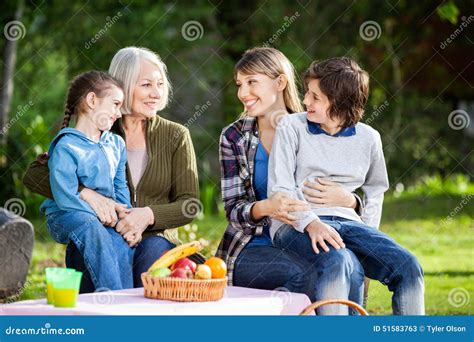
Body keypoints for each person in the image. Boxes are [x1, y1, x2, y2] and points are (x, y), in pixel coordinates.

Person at [23, 47, 201, 291]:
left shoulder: (176, 135)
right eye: (147, 85)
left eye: (160, 84)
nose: (156, 93)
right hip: (103, 228)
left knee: (147, 265)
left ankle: (126, 317)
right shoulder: (101, 128)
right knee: (87, 246)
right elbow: (34, 175)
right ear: (124, 86)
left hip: (153, 236)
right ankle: (96, 320)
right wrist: (86, 193)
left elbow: (189, 204)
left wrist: (146, 215)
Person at [268, 57, 425, 315]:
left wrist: (369, 236)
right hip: (293, 223)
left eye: (315, 97)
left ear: (339, 102)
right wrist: (311, 223)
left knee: (409, 266)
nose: (305, 101)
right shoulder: (291, 126)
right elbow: (281, 187)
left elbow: (375, 190)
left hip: (350, 223)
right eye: (307, 92)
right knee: (338, 260)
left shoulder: (369, 138)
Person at [216, 47, 365, 314]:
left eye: (252, 82)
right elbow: (233, 209)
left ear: (280, 82)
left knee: (350, 267)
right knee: (311, 273)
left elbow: (344, 194)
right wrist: (266, 208)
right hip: (254, 244)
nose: (242, 93)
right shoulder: (234, 137)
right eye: (240, 84)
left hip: (310, 236)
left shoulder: (317, 127)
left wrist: (352, 201)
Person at [41, 70, 134, 290]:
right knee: (92, 228)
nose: (119, 113)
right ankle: (113, 301)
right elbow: (65, 197)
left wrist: (124, 216)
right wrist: (102, 213)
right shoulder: (66, 146)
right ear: (92, 100)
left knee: (120, 240)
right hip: (64, 215)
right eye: (115, 104)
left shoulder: (116, 144)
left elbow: (121, 188)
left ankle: (126, 302)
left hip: (103, 217)